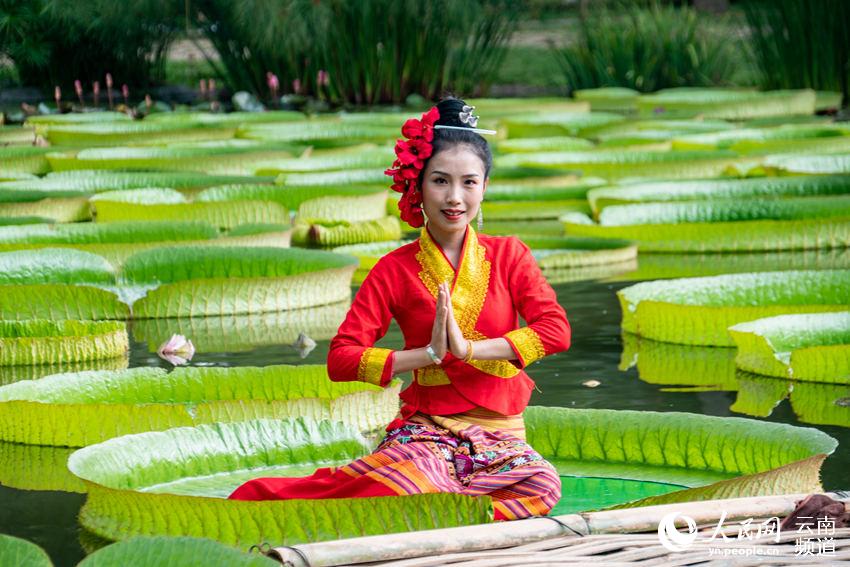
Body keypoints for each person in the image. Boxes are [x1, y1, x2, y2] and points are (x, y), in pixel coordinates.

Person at [229, 97, 571, 521]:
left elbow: (556, 330)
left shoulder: (510, 255)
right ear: (418, 186)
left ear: (485, 187)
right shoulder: (394, 269)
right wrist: (426, 356)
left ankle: (444, 514)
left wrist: (469, 350)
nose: (455, 197)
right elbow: (340, 358)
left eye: (470, 182)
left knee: (541, 484)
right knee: (415, 482)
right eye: (441, 181)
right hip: (426, 432)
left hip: (499, 436)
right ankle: (437, 507)